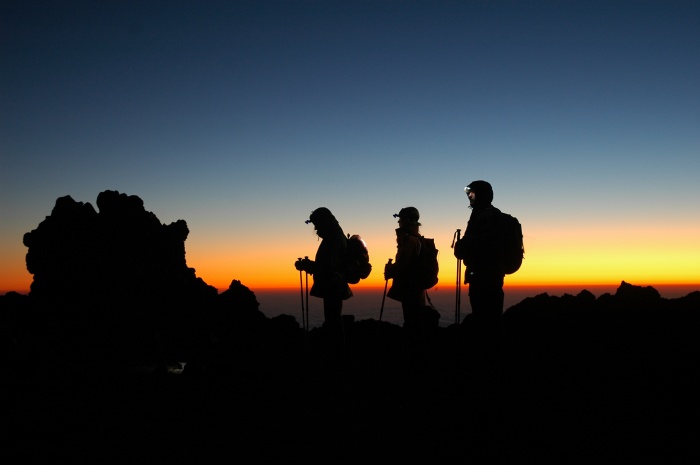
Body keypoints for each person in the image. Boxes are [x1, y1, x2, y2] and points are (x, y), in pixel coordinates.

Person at [295, 207, 352, 360]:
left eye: (317, 224)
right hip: (335, 284)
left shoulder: (334, 239)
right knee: (333, 319)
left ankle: (336, 356)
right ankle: (336, 354)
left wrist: (308, 266)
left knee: (333, 320)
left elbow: (327, 266)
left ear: (324, 222)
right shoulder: (336, 236)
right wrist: (311, 266)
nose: (316, 228)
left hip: (333, 285)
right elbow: (328, 265)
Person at [384, 207, 426, 331]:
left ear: (407, 221)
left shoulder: (410, 240)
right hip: (415, 287)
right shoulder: (416, 238)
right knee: (415, 320)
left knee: (412, 321)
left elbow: (405, 266)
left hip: (410, 287)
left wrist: (391, 270)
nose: (399, 222)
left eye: (401, 219)